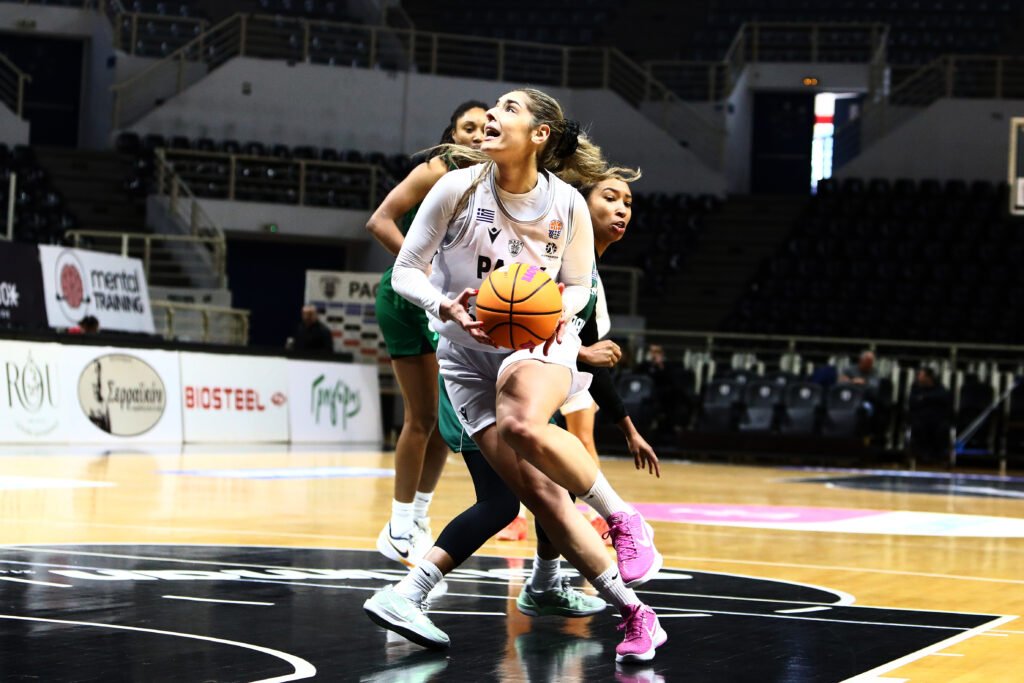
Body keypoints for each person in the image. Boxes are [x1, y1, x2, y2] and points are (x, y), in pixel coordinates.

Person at [364, 88, 666, 663]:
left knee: (523, 424)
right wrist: (443, 305)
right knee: (541, 496)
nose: (490, 117)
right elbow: (405, 272)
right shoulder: (455, 187)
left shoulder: (566, 204)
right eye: (492, 109)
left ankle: (623, 518)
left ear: (539, 134)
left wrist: (550, 312)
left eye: (508, 109)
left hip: (537, 341)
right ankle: (635, 613)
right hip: (464, 355)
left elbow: (579, 286)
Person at [365, 100, 489, 567]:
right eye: (468, 127)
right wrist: (424, 267)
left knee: (441, 421)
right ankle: (398, 526)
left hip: (450, 305)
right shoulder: (437, 170)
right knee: (421, 418)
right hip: (408, 300)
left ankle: (417, 518)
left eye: (485, 127)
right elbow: (379, 220)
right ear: (453, 134)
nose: (477, 134)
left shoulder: (491, 182)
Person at [560, 176, 659, 539]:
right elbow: (531, 330)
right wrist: (582, 352)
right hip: (514, 378)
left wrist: (630, 432)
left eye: (628, 203)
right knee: (514, 496)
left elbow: (590, 360)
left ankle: (606, 522)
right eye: (610, 198)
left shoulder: (589, 274)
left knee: (560, 478)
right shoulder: (560, 259)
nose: (621, 209)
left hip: (564, 375)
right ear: (581, 204)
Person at [907, 366, 953, 466]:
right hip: (920, 418)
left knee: (943, 428)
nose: (919, 377)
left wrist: (925, 398)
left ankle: (940, 457)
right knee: (918, 427)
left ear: (928, 377)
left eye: (921, 375)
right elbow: (912, 401)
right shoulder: (916, 387)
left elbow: (944, 398)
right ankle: (922, 456)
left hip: (937, 419)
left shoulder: (939, 387)